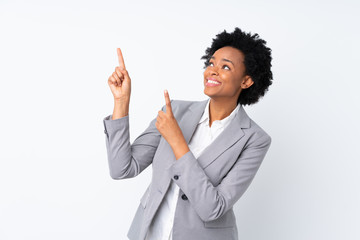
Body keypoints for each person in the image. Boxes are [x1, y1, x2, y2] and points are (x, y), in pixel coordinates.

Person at [103, 27, 273, 240]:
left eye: (225, 67)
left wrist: (177, 140)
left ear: (246, 81)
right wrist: (121, 102)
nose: (212, 70)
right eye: (211, 63)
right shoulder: (174, 111)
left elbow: (213, 208)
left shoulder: (254, 139)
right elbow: (122, 169)